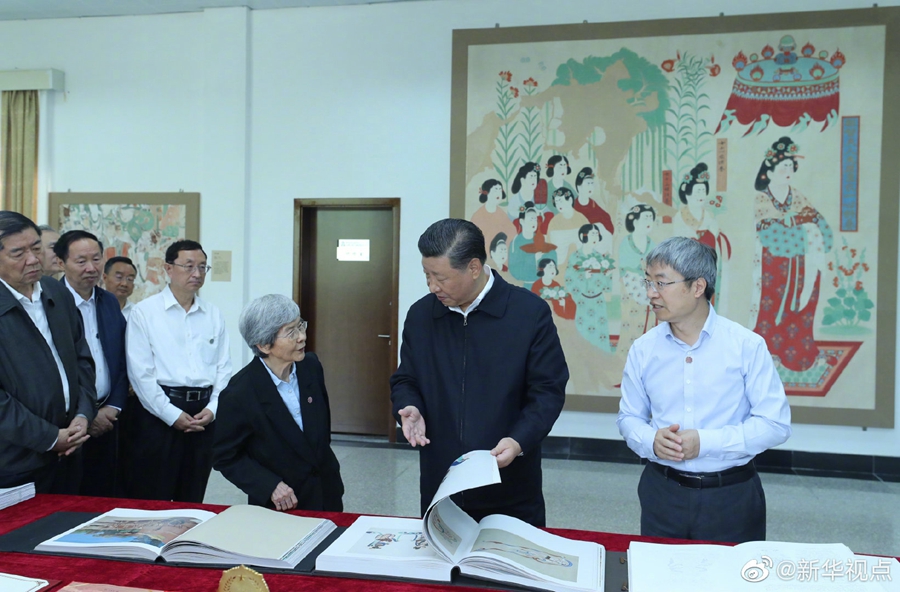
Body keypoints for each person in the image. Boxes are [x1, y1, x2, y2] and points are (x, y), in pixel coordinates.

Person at [390, 219, 567, 527]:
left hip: (507, 482)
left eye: (440, 277)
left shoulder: (528, 313)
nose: (432, 287)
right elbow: (406, 378)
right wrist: (409, 406)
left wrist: (519, 440)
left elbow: (547, 392)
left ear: (473, 268)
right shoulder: (421, 316)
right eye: (427, 275)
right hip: (441, 483)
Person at [617, 237, 791, 543]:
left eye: (661, 283)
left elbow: (774, 425)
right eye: (649, 282)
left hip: (731, 496)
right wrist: (650, 440)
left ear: (698, 287)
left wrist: (706, 443)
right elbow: (629, 417)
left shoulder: (745, 346)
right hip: (662, 492)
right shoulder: (643, 349)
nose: (651, 293)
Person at [213, 294, 343, 511]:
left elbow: (321, 433)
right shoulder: (240, 393)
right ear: (264, 345)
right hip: (282, 504)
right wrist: (268, 485)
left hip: (326, 491)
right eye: (291, 332)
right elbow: (225, 457)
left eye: (301, 326)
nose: (302, 337)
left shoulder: (310, 366)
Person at [125, 239, 232, 502]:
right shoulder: (145, 313)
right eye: (189, 266)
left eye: (203, 267)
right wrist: (171, 415)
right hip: (159, 413)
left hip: (204, 414)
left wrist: (213, 409)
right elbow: (141, 375)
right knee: (155, 495)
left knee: (193, 496)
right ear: (168, 269)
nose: (197, 273)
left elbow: (224, 369)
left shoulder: (213, 314)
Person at [0, 212, 96, 494]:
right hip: (16, 461)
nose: (33, 259)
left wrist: (83, 415)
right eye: (18, 253)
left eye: (37, 248)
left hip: (71, 449)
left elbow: (82, 360)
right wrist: (51, 438)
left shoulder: (56, 291)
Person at [55, 230, 128, 497]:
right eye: (81, 261)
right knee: (68, 496)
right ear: (61, 263)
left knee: (103, 494)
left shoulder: (108, 301)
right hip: (68, 422)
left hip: (108, 417)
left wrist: (113, 407)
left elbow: (121, 361)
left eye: (96, 259)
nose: (91, 268)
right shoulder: (50, 303)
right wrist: (87, 414)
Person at [751, 137, 832, 372]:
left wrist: (797, 223)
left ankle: (800, 353)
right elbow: (772, 236)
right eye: (783, 166)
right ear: (769, 171)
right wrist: (803, 224)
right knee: (773, 307)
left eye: (790, 166)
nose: (788, 171)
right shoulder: (763, 198)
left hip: (803, 263)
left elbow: (821, 226)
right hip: (774, 266)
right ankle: (770, 353)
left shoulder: (796, 195)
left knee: (803, 305)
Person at [566, 223, 614, 352]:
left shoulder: (600, 258)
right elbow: (569, 280)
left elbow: (607, 287)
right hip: (583, 301)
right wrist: (584, 277)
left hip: (599, 301)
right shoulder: (575, 257)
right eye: (592, 234)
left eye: (597, 234)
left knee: (600, 333)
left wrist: (607, 276)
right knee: (583, 333)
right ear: (584, 236)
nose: (595, 237)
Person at [470, 179, 516, 258]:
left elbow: (512, 231)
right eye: (495, 190)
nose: (498, 193)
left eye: (500, 190)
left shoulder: (502, 214)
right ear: (487, 193)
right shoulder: (478, 216)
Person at [102, 256, 137, 320]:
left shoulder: (136, 312)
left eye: (130, 279)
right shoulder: (94, 308)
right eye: (119, 277)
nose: (124, 283)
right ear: (105, 278)